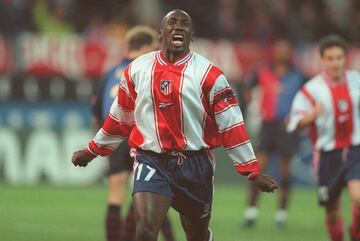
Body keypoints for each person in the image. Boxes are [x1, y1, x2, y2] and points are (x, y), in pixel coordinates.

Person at [72, 9, 278, 241]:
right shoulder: (137, 70)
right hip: (151, 159)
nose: (178, 26)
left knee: (196, 236)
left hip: (195, 164)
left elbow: (231, 125)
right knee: (145, 231)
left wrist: (252, 172)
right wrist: (91, 151)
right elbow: (119, 118)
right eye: (172, 22)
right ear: (161, 34)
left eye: (184, 24)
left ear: (191, 36)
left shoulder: (210, 75)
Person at [91, 26, 175, 241]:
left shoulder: (109, 73)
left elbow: (96, 113)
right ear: (146, 47)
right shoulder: (146, 70)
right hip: (141, 138)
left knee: (115, 197)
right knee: (153, 193)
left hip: (114, 137)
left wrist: (104, 145)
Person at [287, 35, 360, 241]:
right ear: (322, 59)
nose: (335, 63)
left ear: (346, 58)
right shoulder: (312, 89)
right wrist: (311, 116)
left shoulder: (357, 80)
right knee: (331, 209)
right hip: (328, 155)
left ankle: (356, 231)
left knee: (358, 197)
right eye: (330, 58)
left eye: (339, 58)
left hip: (355, 149)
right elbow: (294, 121)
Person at [242, 39, 306, 228]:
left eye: (286, 50)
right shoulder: (263, 72)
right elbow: (247, 86)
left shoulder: (299, 76)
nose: (282, 53)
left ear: (291, 53)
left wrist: (299, 116)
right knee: (257, 171)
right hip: (268, 125)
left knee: (285, 174)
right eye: (279, 49)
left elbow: (309, 96)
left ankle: (281, 216)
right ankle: (251, 214)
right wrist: (254, 105)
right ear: (274, 52)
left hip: (288, 127)